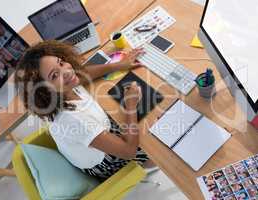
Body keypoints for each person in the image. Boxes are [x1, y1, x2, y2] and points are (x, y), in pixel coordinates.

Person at [14, 40, 156, 180]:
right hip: (105, 161)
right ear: (44, 91)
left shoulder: (64, 88)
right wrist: (130, 106)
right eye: (54, 75)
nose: (67, 72)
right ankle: (151, 164)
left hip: (94, 136)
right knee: (152, 147)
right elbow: (128, 151)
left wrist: (119, 65)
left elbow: (83, 74)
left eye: (61, 63)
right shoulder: (73, 119)